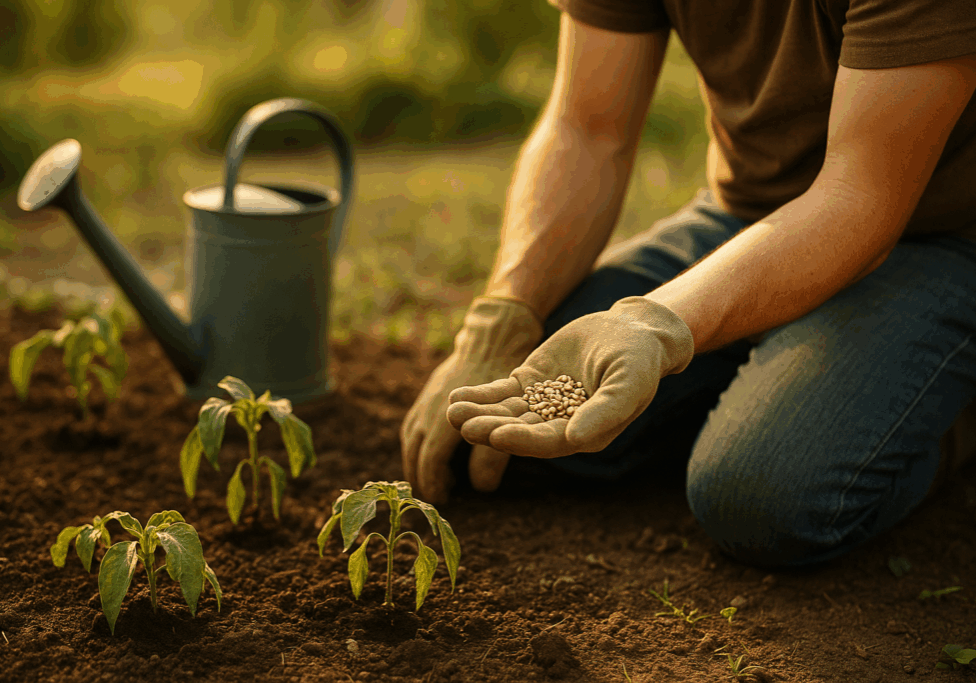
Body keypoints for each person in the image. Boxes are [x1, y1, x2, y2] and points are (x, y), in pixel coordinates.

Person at [400, 0, 976, 568]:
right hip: (741, 215)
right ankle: (754, 366)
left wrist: (651, 325)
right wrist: (502, 320)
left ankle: (946, 398)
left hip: (937, 234)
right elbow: (586, 129)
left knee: (759, 497)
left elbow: (860, 194)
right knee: (506, 430)